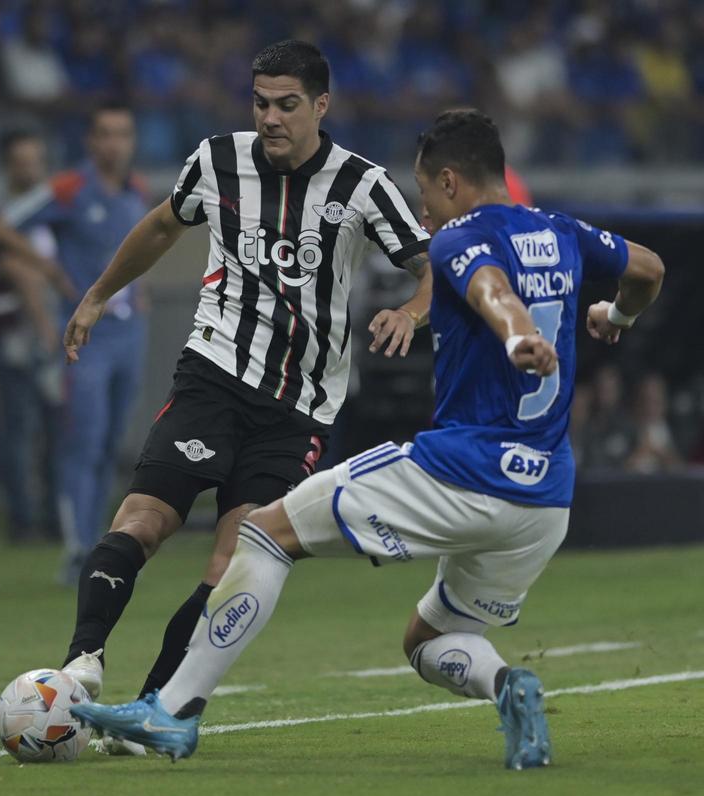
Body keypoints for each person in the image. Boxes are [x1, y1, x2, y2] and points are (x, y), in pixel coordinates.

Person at [69, 109, 666, 769]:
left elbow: (491, 289)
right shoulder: (561, 231)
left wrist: (518, 333)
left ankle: (172, 711)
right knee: (432, 639)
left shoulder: (458, 237)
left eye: (424, 193)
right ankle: (507, 685)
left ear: (450, 180)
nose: (423, 210)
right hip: (546, 500)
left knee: (265, 533)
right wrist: (616, 314)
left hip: (466, 472)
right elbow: (648, 267)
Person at [56, 40, 433, 742]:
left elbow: (429, 267)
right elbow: (166, 222)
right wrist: (99, 294)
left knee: (232, 566)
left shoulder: (361, 185)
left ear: (321, 105)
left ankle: (151, 709)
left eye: (287, 105)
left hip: (297, 410)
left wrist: (411, 312)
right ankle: (81, 662)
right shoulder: (217, 160)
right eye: (261, 103)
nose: (270, 118)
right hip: (214, 375)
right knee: (140, 522)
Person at [0, 106, 149, 578]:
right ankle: (76, 548)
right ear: (90, 141)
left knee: (110, 443)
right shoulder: (69, 188)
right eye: (105, 134)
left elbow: (146, 244)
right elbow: (3, 225)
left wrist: (140, 291)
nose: (115, 144)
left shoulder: (137, 191)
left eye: (123, 134)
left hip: (129, 333)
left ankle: (97, 542)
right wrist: (50, 270)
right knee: (82, 441)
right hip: (85, 337)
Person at [0, 128, 76, 544]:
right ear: (7, 168)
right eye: (21, 162)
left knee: (55, 433)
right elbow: (17, 271)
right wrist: (44, 325)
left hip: (52, 334)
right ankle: (23, 518)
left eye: (35, 161)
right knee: (20, 429)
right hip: (19, 337)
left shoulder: (46, 212)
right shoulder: (7, 214)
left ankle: (53, 515)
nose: (29, 170)